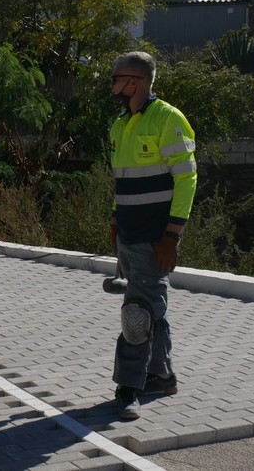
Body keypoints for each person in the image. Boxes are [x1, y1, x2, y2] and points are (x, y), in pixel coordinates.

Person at [107, 51, 197, 420]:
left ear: (135, 82)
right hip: (128, 233)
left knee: (137, 313)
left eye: (116, 78)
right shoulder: (119, 124)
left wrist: (172, 236)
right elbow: (124, 180)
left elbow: (187, 178)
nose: (111, 85)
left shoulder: (168, 119)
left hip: (155, 236)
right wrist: (114, 219)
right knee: (149, 308)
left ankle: (129, 387)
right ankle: (161, 375)